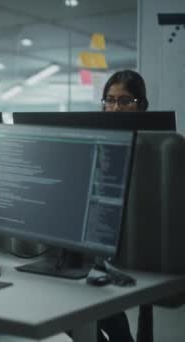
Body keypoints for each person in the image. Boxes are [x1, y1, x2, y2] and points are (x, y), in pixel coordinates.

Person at [98, 69, 152, 342]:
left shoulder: (160, 150)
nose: (115, 107)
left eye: (124, 100)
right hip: (102, 246)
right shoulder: (99, 149)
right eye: (109, 100)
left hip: (145, 246)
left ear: (141, 106)